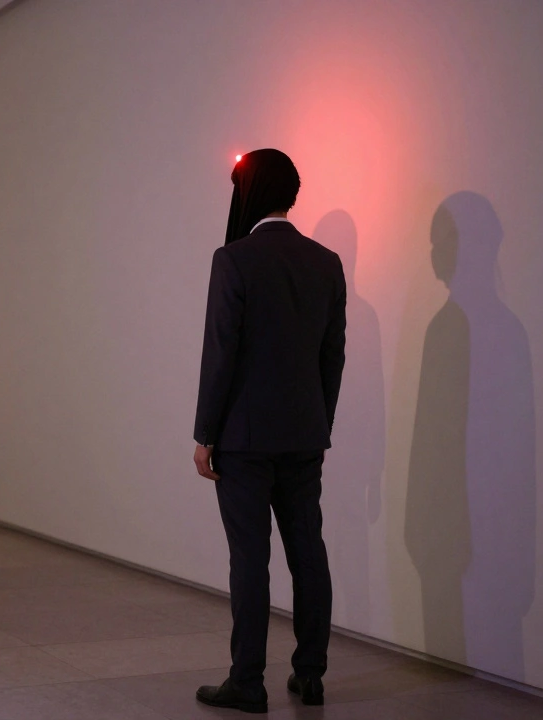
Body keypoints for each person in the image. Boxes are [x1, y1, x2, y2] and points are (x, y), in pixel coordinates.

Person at [191, 149, 346, 713]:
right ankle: (310, 675)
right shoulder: (326, 262)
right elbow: (334, 357)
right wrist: (318, 424)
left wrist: (205, 433)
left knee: (250, 558)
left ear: (249, 192)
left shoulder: (234, 259)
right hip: (304, 437)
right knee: (309, 551)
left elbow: (221, 354)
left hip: (245, 441)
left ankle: (247, 681)